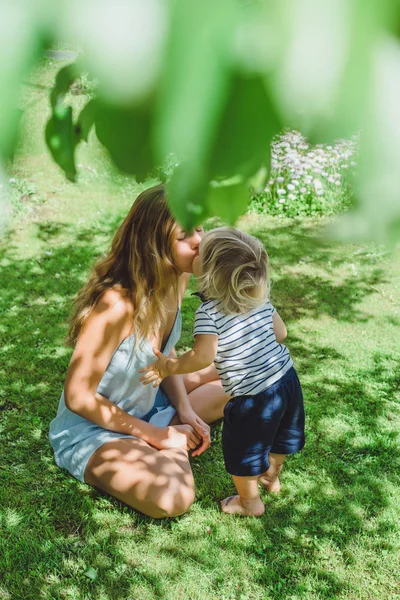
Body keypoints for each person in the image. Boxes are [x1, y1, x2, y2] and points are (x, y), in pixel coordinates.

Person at [49, 184, 229, 518]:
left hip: (148, 398)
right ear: (155, 247)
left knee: (238, 374)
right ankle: (173, 441)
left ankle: (175, 425)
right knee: (171, 498)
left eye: (201, 228)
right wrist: (161, 438)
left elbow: (167, 354)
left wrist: (187, 411)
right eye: (184, 235)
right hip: (94, 429)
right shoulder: (115, 305)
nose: (199, 241)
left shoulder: (177, 279)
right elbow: (78, 397)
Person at [139, 227, 305, 517]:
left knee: (243, 448)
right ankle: (272, 477)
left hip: (253, 397)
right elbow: (281, 332)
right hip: (287, 380)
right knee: (280, 435)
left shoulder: (209, 313)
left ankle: (249, 503)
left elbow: (202, 356)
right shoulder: (259, 299)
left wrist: (170, 366)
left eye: (201, 251)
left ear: (210, 273)